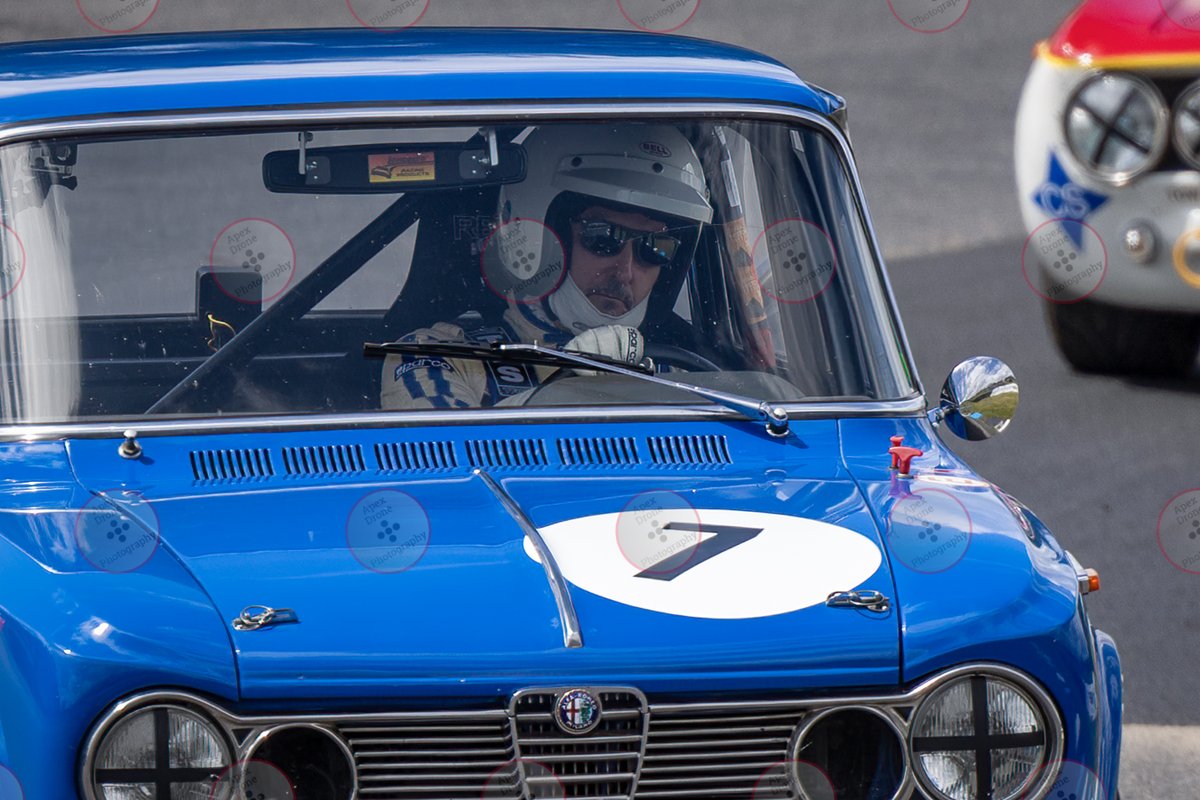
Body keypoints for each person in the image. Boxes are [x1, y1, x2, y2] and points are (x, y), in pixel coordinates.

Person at [380, 124, 713, 410]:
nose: (625, 272)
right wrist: (564, 390)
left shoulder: (685, 374)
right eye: (603, 238)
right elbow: (444, 466)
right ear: (536, 236)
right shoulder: (439, 358)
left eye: (655, 250)